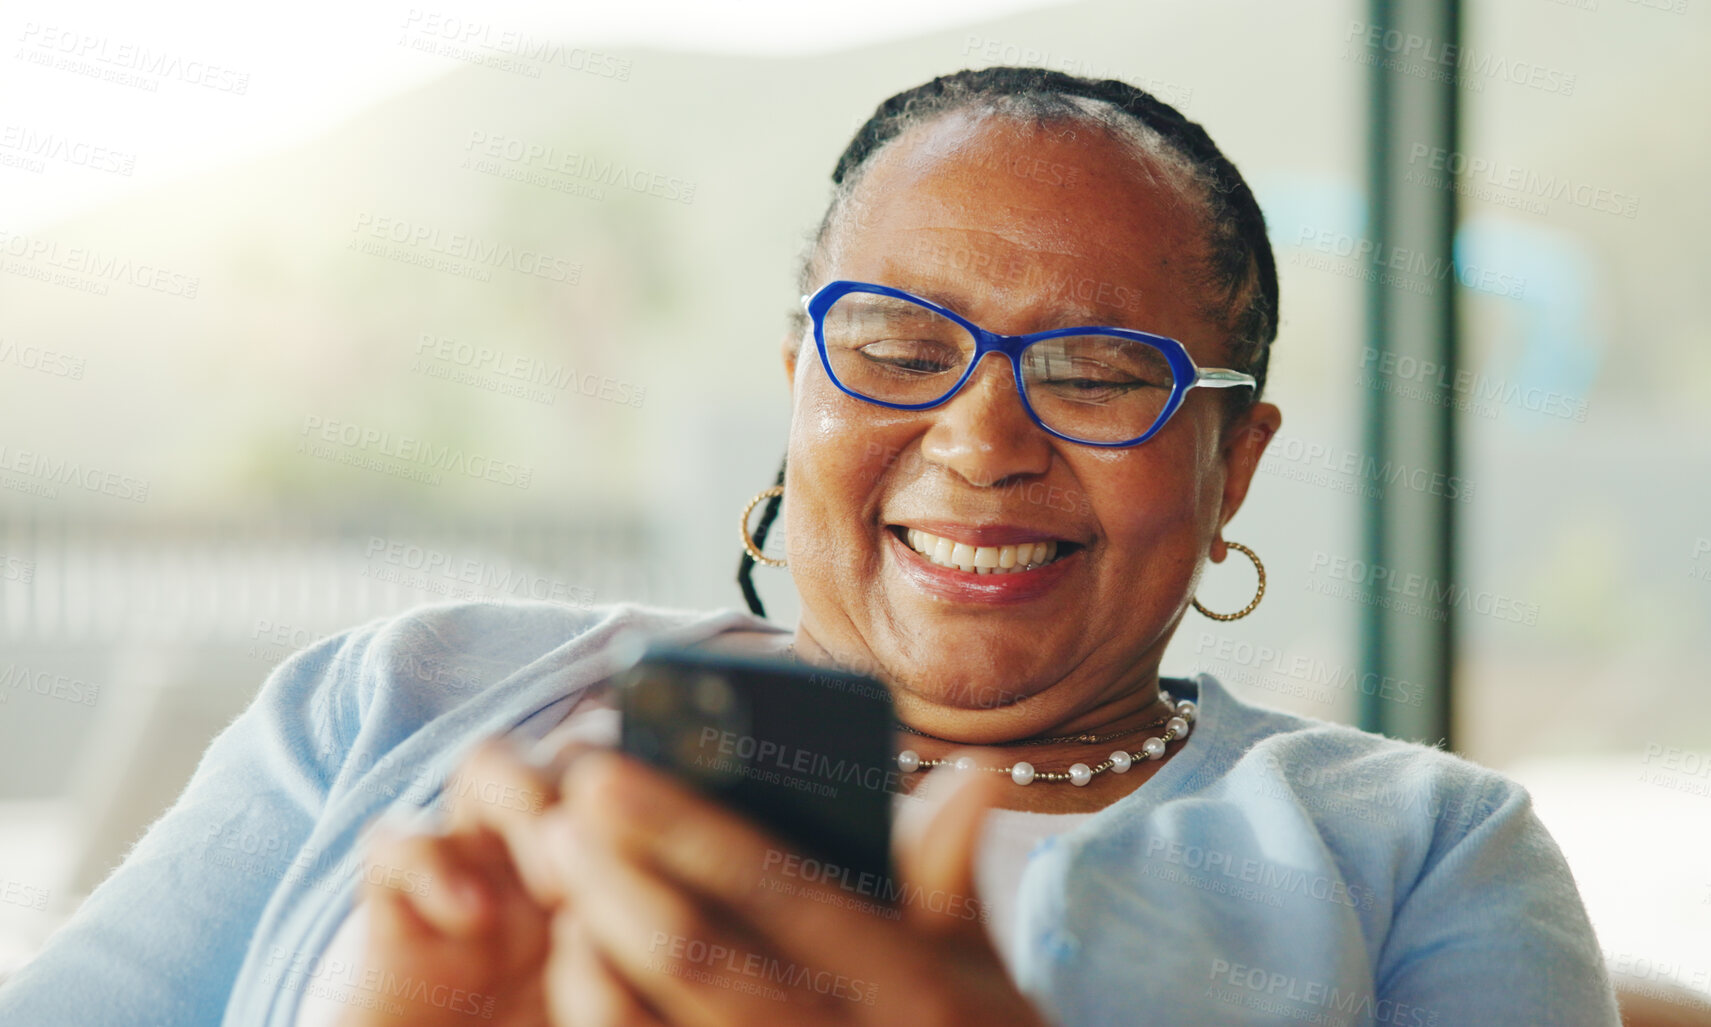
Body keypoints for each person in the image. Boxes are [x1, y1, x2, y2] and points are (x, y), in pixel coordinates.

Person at [0, 67, 1622, 1026]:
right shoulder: (412, 698)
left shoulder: (1419, 856)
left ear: (1231, 463)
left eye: (1097, 371)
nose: (984, 441)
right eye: (904, 350)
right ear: (801, 389)